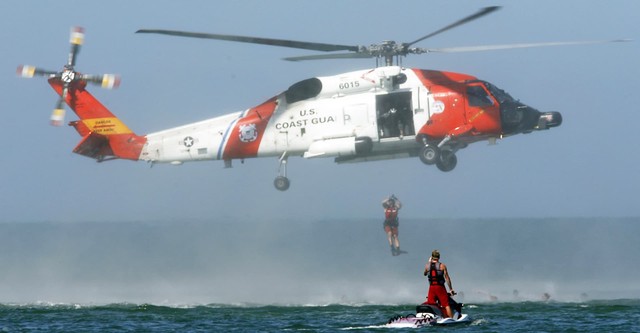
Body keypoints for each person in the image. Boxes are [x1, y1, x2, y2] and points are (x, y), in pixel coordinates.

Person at [423, 250, 455, 318]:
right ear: (439, 257)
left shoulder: (427, 266)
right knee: (446, 304)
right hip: (440, 287)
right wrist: (451, 289)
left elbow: (425, 274)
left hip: (431, 288)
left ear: (432, 257)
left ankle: (431, 317)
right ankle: (451, 319)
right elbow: (447, 278)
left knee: (431, 303)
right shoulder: (442, 266)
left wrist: (429, 262)